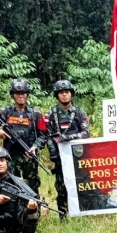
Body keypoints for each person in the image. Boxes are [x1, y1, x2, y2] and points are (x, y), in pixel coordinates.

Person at [0, 79, 47, 195]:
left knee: (32, 186)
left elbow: (43, 135)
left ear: (27, 94)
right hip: (10, 156)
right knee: (13, 185)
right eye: (18, 93)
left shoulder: (35, 114)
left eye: (23, 93)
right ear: (13, 95)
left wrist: (35, 147)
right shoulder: (5, 112)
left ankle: (34, 211)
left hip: (29, 155)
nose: (21, 96)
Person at [40, 80, 90, 220]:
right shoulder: (51, 113)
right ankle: (63, 215)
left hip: (78, 155)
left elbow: (86, 133)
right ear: (57, 95)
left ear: (71, 94)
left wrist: (69, 137)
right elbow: (46, 135)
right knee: (61, 187)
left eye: (67, 92)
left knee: (81, 184)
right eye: (61, 93)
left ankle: (83, 212)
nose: (64, 95)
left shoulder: (79, 112)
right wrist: (52, 151)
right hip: (60, 157)